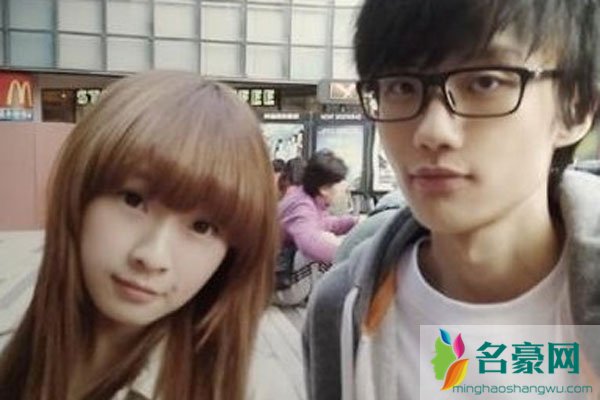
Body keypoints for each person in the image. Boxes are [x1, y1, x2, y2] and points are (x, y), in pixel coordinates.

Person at [303, 1, 600, 399]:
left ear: (576, 108)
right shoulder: (342, 308)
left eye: (485, 82)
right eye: (401, 86)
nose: (432, 131)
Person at [0, 71, 279, 400]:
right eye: (133, 200)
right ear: (80, 193)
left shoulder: (246, 388)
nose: (152, 256)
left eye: (202, 227)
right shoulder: (12, 313)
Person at [279, 149, 357, 265]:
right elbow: (309, 243)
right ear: (324, 188)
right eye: (340, 183)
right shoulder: (302, 206)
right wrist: (354, 257)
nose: (344, 188)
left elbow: (323, 223)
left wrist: (353, 222)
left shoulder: (309, 200)